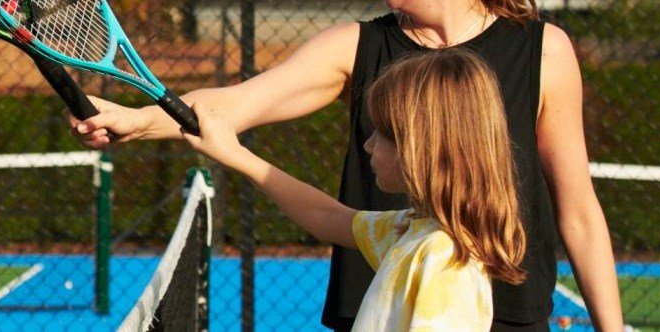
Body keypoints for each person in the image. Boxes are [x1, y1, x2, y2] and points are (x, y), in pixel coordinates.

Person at [73, 0, 625, 331]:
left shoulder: (542, 50)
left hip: (510, 315)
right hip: (378, 310)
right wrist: (138, 119)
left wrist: (613, 330)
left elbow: (577, 210)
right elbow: (238, 105)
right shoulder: (355, 47)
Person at [187, 50, 526, 331]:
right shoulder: (414, 231)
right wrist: (234, 155)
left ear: (419, 148)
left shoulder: (443, 259)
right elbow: (327, 217)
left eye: (381, 133)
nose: (368, 144)